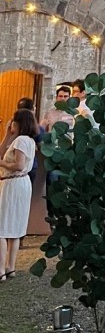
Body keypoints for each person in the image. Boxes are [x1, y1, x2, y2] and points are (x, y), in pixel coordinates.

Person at [0, 110, 39, 279]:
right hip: (20, 183)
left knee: (2, 227)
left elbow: (18, 165)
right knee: (14, 226)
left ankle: (1, 269)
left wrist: (1, 163)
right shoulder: (27, 140)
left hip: (13, 183)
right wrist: (7, 135)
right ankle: (10, 266)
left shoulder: (21, 140)